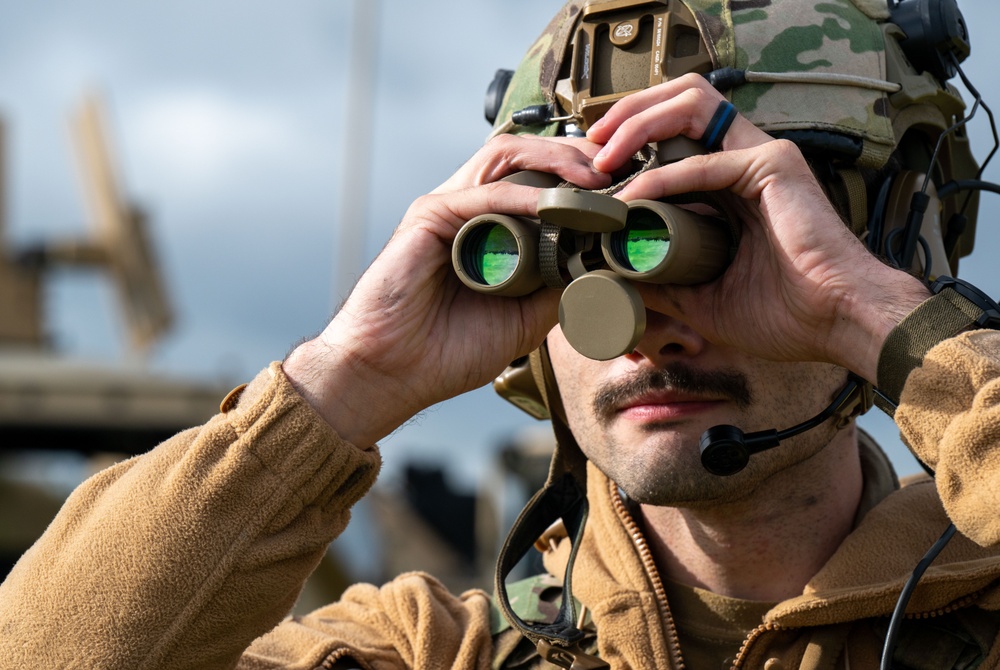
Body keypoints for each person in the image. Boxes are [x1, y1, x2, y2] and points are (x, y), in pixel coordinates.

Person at [3, 0, 1000, 668]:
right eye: (572, 234)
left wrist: (873, 314)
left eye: (721, 236)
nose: (646, 323)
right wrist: (342, 380)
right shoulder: (432, 649)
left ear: (894, 248)